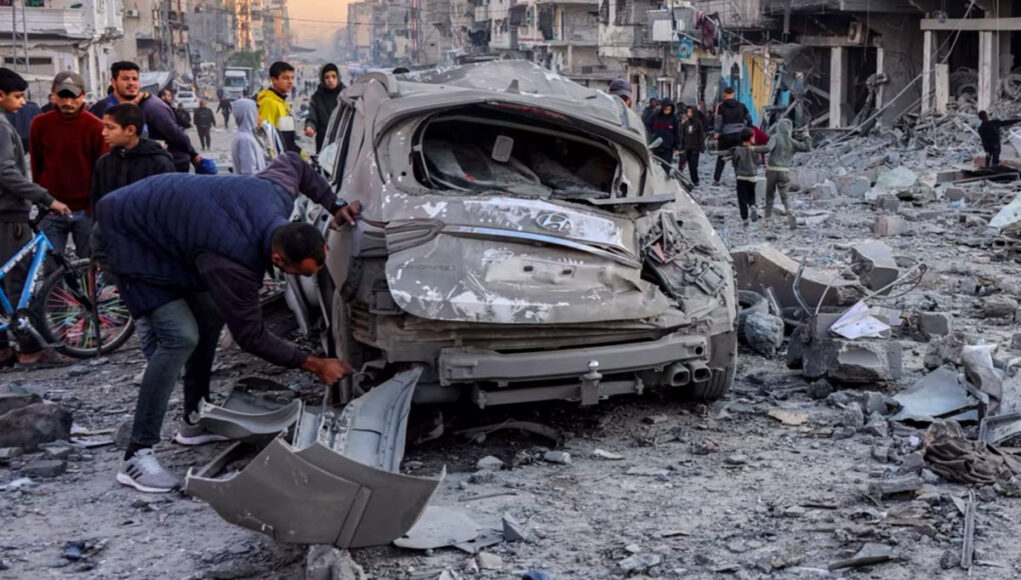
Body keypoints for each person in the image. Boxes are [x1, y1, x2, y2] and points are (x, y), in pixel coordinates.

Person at [95, 153, 360, 493]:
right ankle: (136, 456)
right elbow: (250, 336)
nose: (311, 276)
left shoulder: (276, 195)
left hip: (172, 229)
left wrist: (335, 204)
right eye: (305, 272)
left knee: (210, 314)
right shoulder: (233, 263)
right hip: (128, 236)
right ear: (278, 259)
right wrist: (314, 364)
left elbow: (294, 162)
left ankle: (194, 420)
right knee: (180, 337)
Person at [0, 68, 71, 367]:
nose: (22, 102)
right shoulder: (1, 127)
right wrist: (46, 197)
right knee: (18, 282)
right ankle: (30, 350)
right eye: (17, 96)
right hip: (8, 215)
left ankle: (4, 349)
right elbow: (6, 172)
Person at [29, 72, 106, 261]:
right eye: (62, 96)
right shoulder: (40, 124)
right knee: (52, 267)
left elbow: (102, 170)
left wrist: (92, 207)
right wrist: (42, 199)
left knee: (89, 265)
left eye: (73, 97)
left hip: (86, 210)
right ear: (53, 94)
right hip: (51, 208)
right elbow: (36, 164)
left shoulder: (96, 127)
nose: (68, 102)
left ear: (83, 95)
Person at [89, 62, 204, 173]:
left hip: (159, 170)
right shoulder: (102, 109)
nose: (131, 83)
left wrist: (193, 155)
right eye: (125, 79)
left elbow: (176, 135)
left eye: (135, 79)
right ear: (113, 82)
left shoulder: (152, 107)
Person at [92, 103, 176, 206]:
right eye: (104, 127)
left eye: (110, 127)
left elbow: (167, 204)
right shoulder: (104, 163)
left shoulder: (159, 164)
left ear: (130, 130)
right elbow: (97, 201)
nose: (104, 133)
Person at [762, 119, 810, 230]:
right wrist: (806, 134)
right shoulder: (792, 142)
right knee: (784, 195)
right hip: (784, 171)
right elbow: (807, 148)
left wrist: (753, 149)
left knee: (770, 195)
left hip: (772, 171)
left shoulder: (775, 137)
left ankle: (767, 221)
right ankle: (790, 212)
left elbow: (768, 148)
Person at [716, 127, 770, 227]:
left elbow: (735, 162)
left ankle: (745, 219)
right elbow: (758, 161)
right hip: (752, 176)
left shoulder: (738, 149)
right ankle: (753, 206)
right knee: (751, 195)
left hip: (741, 177)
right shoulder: (755, 149)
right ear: (751, 138)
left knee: (742, 200)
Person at [712, 87, 752, 186]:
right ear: (733, 94)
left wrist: (717, 132)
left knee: (721, 157)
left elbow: (718, 121)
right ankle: (740, 178)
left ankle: (716, 179)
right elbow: (749, 119)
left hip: (726, 136)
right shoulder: (742, 106)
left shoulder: (721, 106)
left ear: (724, 95)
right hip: (739, 135)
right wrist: (747, 130)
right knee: (740, 157)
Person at [258, 61, 300, 154]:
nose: (290, 82)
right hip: (279, 159)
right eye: (285, 78)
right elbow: (266, 138)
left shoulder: (283, 103)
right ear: (274, 80)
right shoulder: (268, 103)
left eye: (292, 78)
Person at [305, 63, 343, 152]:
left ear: (338, 77)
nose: (331, 80)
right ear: (322, 79)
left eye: (334, 76)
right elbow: (312, 116)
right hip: (323, 142)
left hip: (342, 142)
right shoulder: (317, 97)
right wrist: (310, 127)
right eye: (327, 77)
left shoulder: (347, 96)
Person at [232, 98, 269, 176]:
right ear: (249, 115)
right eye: (258, 114)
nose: (261, 118)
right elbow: (249, 173)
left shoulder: (248, 136)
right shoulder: (245, 139)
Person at [645, 98, 680, 164]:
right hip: (656, 147)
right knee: (656, 166)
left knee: (666, 166)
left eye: (669, 109)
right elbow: (647, 124)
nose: (667, 111)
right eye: (666, 109)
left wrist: (677, 148)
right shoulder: (656, 115)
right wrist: (653, 133)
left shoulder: (673, 118)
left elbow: (676, 133)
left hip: (668, 148)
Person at [678, 106, 706, 186]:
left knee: (693, 165)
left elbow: (701, 135)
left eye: (690, 112)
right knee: (682, 164)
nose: (689, 114)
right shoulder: (685, 122)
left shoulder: (698, 123)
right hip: (686, 147)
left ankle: (695, 180)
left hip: (695, 148)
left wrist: (702, 146)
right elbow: (681, 134)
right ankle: (680, 179)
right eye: (688, 112)